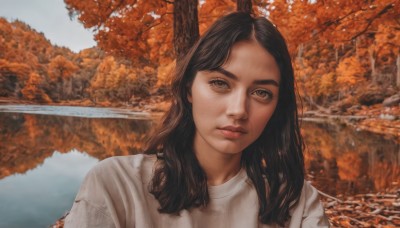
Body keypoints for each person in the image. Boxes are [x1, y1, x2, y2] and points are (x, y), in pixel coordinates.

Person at [64, 12, 329, 227]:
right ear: (189, 88)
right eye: (220, 83)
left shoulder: (295, 203)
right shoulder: (117, 186)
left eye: (262, 93)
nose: (239, 110)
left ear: (276, 107)